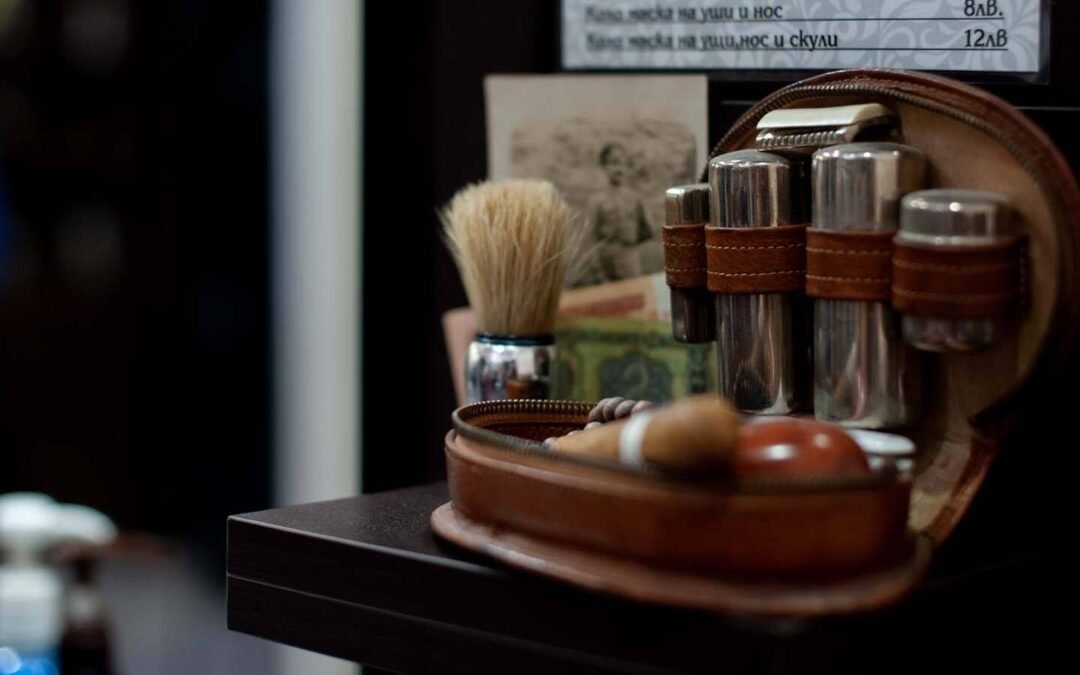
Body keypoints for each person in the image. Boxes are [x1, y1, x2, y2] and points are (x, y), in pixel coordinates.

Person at [586, 143, 652, 281]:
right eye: (614, 163)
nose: (619, 169)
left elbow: (645, 230)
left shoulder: (634, 198)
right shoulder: (597, 200)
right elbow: (590, 235)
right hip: (606, 260)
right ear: (604, 167)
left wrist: (630, 245)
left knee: (633, 291)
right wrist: (596, 264)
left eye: (623, 164)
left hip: (630, 257)